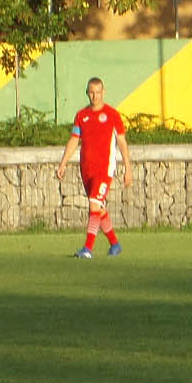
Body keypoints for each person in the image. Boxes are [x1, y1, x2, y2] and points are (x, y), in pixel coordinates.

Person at [55, 76, 132, 258]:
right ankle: (115, 244)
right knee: (99, 207)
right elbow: (74, 140)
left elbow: (122, 142)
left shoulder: (112, 115)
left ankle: (87, 249)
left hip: (104, 169)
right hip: (86, 169)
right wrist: (63, 163)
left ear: (103, 92)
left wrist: (128, 168)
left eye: (98, 92)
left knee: (94, 204)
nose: (95, 96)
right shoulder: (81, 116)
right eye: (91, 92)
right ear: (87, 93)